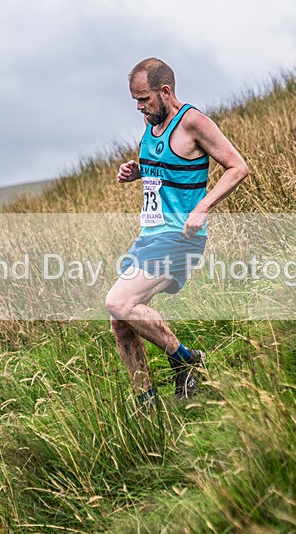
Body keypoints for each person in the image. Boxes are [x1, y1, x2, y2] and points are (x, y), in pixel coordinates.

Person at [105, 58, 248, 405]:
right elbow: (167, 168)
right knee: (121, 322)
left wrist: (202, 207)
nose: (140, 107)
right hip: (150, 235)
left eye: (144, 99)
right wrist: (138, 171)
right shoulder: (151, 123)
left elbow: (237, 167)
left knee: (118, 301)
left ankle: (185, 357)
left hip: (180, 237)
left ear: (165, 91)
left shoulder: (193, 122)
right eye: (136, 101)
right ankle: (148, 404)